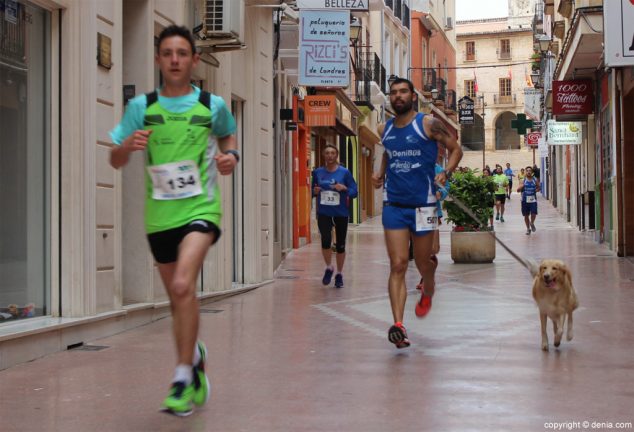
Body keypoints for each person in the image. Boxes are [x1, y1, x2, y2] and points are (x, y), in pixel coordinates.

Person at [109, 25, 239, 416]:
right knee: (179, 298)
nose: (175, 60)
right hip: (159, 218)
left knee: (184, 283)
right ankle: (195, 356)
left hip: (201, 210)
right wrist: (125, 148)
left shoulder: (211, 104)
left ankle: (182, 376)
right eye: (167, 53)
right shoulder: (142, 108)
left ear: (194, 59)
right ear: (158, 59)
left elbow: (229, 140)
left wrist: (229, 159)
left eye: (182, 53)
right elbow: (114, 158)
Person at [372, 77, 462, 349]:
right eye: (394, 93)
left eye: (403, 92)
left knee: (425, 261)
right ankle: (399, 325)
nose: (398, 96)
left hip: (426, 205)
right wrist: (380, 174)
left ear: (413, 96)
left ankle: (429, 286)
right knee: (398, 264)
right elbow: (389, 153)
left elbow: (455, 149)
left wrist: (445, 173)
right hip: (395, 205)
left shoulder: (427, 124)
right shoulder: (382, 128)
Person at [312, 145, 358, 288]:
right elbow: (312, 191)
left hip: (341, 213)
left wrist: (344, 188)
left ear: (337, 155)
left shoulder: (344, 173)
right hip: (324, 213)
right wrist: (315, 191)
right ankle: (328, 268)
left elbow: (354, 191)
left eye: (332, 153)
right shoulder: (318, 172)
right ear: (323, 155)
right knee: (325, 241)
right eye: (327, 153)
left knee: (340, 245)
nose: (330, 155)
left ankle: (339, 273)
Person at [518, 165, 541, 235]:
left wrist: (535, 190)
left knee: (534, 213)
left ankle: (532, 223)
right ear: (525, 172)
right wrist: (522, 186)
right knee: (526, 215)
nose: (528, 172)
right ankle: (528, 229)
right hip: (524, 200)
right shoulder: (523, 180)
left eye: (530, 171)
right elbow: (518, 190)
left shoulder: (535, 179)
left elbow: (539, 187)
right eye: (527, 171)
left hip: (533, 199)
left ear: (532, 172)